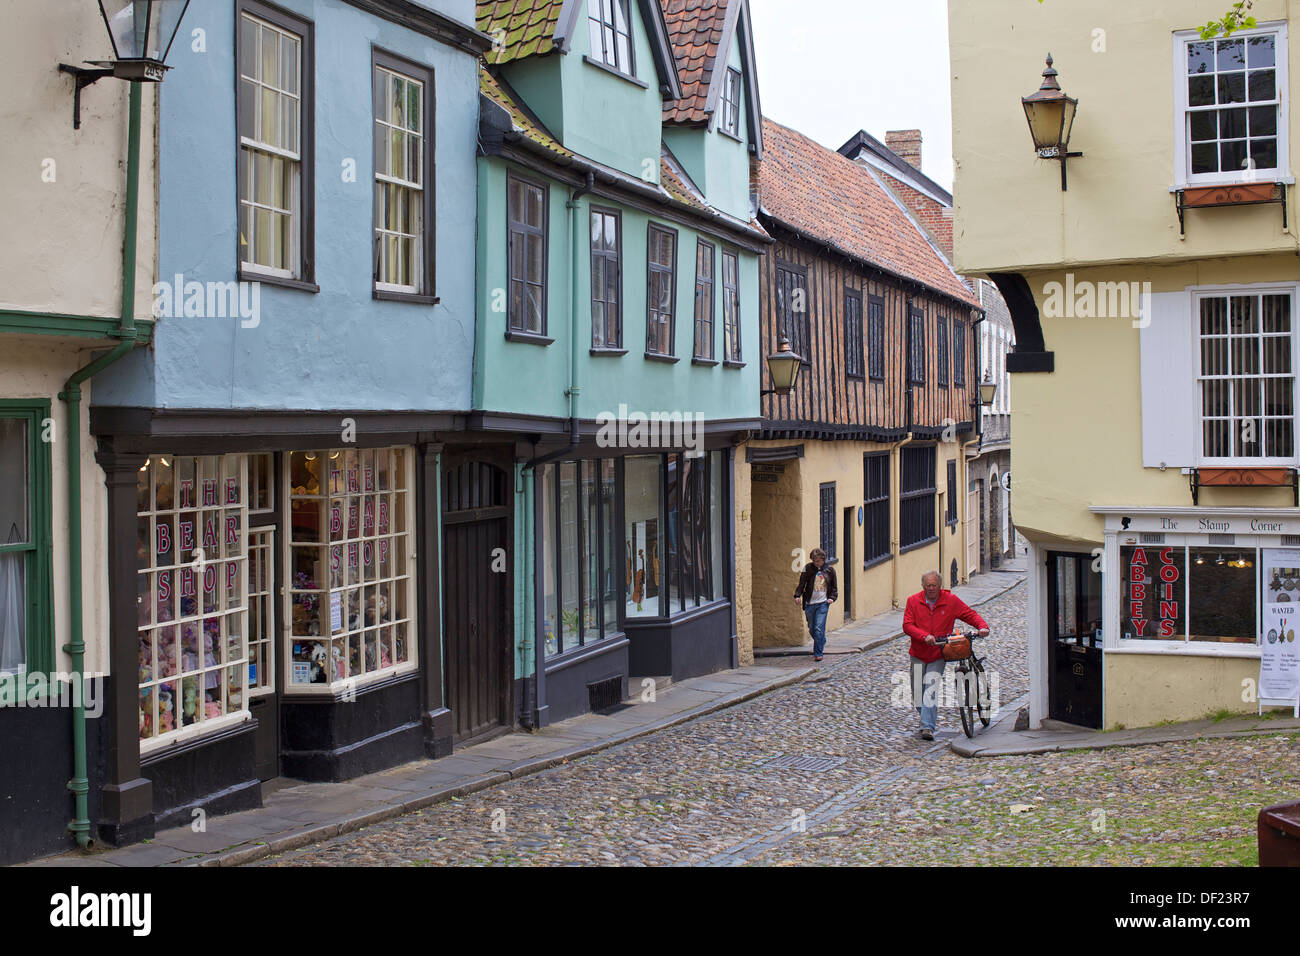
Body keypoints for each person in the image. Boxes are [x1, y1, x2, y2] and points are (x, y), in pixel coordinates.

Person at [902, 570, 989, 740]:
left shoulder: (950, 601)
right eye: (928, 586)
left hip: (938, 653)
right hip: (919, 652)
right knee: (917, 692)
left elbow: (969, 614)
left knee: (930, 688)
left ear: (940, 586)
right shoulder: (913, 601)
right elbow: (907, 625)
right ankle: (926, 718)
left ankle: (927, 727)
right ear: (923, 586)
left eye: (934, 585)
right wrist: (923, 636)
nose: (931, 588)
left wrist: (982, 626)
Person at [793, 549, 837, 662]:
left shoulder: (830, 570)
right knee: (812, 628)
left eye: (818, 561)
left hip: (823, 603)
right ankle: (821, 640)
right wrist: (797, 595)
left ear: (823, 559)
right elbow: (801, 583)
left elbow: (834, 587)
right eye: (814, 561)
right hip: (810, 603)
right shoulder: (807, 568)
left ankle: (818, 653)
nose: (816, 563)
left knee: (818, 628)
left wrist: (832, 598)